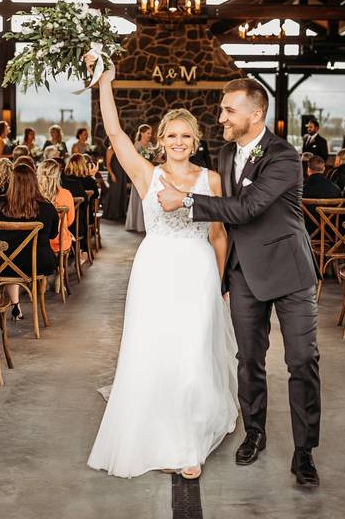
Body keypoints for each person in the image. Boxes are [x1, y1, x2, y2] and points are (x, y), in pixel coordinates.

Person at [155, 73, 321, 488]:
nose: (222, 116)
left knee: (301, 359)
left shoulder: (284, 156)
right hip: (244, 271)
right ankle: (255, 432)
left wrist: (188, 200)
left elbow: (247, 207)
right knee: (248, 359)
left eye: (229, 109)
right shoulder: (226, 154)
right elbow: (229, 214)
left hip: (289, 271)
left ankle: (304, 452)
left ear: (256, 112)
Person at [87, 55, 238, 483]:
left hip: (198, 272)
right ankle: (156, 427)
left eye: (185, 135)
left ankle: (188, 443)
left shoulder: (211, 179)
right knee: (154, 349)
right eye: (171, 135)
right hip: (154, 272)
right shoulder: (146, 175)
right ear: (161, 141)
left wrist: (221, 282)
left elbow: (220, 236)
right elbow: (114, 132)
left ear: (196, 140)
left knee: (192, 354)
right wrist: (105, 82)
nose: (178, 141)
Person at [0, 164, 59, 318]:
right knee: (15, 257)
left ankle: (16, 304)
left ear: (12, 182)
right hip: (38, 262)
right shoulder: (47, 208)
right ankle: (18, 306)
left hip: (3, 263)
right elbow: (52, 235)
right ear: (34, 182)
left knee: (9, 257)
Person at [37, 159, 75, 257]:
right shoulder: (66, 194)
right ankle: (60, 268)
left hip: (36, 243)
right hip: (60, 243)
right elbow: (70, 221)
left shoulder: (32, 195)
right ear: (58, 176)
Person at [125, 125, 154, 233]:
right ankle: (137, 224)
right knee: (139, 198)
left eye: (150, 133)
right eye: (148, 133)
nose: (150, 135)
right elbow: (131, 161)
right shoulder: (136, 145)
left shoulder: (151, 145)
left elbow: (154, 158)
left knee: (149, 198)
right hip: (139, 175)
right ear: (141, 133)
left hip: (149, 175)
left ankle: (149, 223)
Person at [102, 142, 129, 222]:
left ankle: (120, 213)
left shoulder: (120, 149)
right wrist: (112, 174)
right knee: (114, 194)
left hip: (122, 174)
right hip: (114, 174)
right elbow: (108, 164)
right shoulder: (110, 149)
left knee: (121, 193)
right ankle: (111, 214)